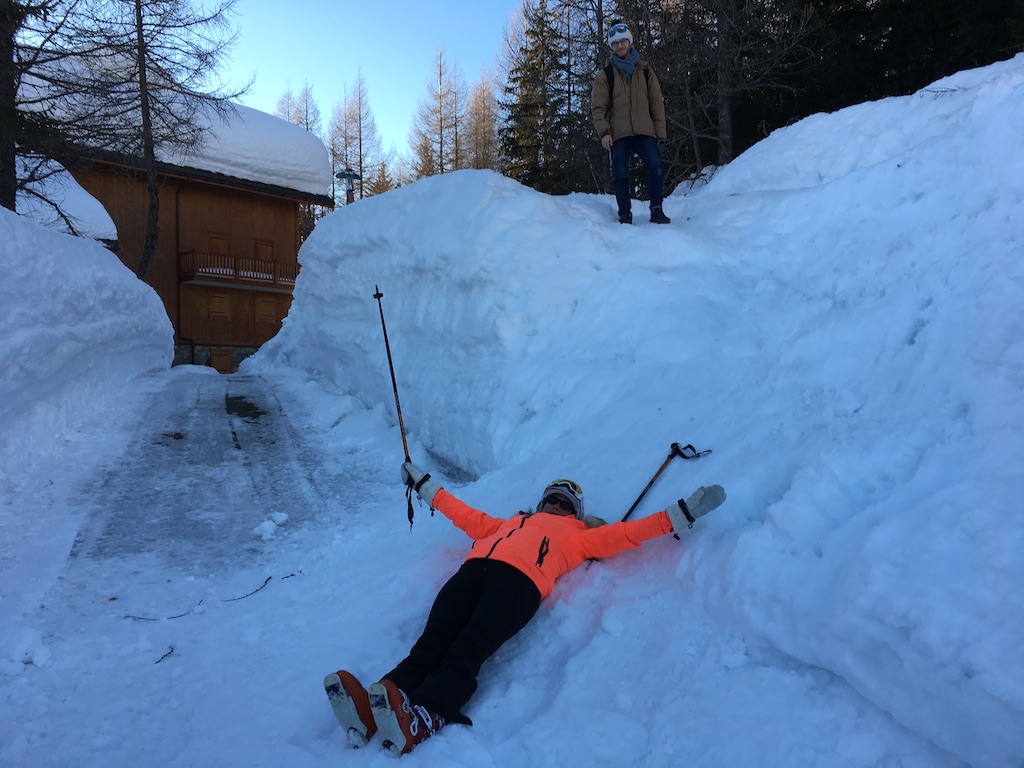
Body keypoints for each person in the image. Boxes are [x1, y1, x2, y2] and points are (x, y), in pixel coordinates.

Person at [323, 464, 726, 756]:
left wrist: (682, 513)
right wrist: (423, 485)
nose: (555, 503)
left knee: (466, 650)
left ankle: (423, 716)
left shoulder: (585, 536)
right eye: (551, 497)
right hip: (470, 575)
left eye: (564, 502)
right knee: (428, 647)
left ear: (576, 512)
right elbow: (462, 513)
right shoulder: (504, 524)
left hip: (518, 586)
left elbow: (630, 533)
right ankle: (374, 709)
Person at [591, 20, 670, 225]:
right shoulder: (605, 75)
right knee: (621, 175)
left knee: (656, 166)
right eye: (615, 43)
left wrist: (659, 131)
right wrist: (604, 132)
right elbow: (599, 108)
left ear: (630, 42)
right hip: (619, 133)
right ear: (612, 46)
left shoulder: (645, 71)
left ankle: (657, 210)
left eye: (623, 41)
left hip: (645, 130)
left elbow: (656, 102)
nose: (620, 46)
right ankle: (625, 213)